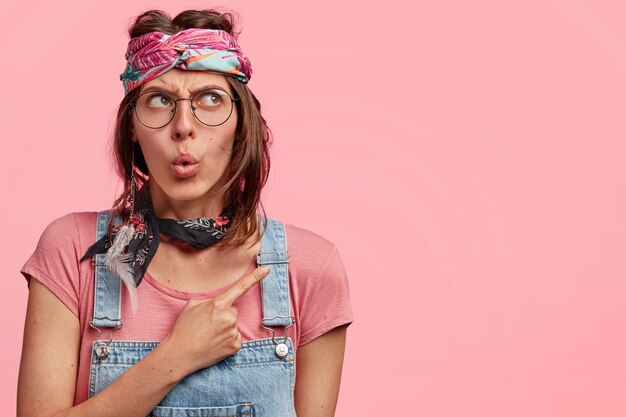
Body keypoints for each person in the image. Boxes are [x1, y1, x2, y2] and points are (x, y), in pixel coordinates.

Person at [17, 9, 353, 417]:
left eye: (210, 99)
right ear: (132, 127)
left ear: (241, 122)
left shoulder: (310, 268)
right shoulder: (72, 250)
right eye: (159, 100)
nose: (183, 126)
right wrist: (174, 357)